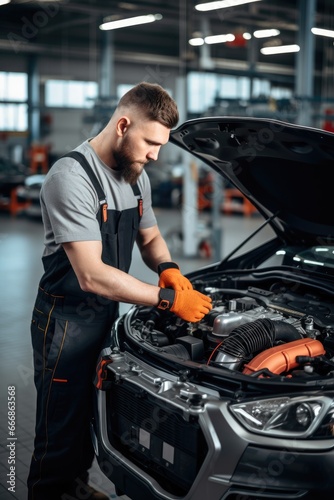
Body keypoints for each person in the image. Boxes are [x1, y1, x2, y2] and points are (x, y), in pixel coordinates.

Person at [27, 82, 212, 500]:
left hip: (106, 316)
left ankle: (75, 488)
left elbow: (150, 238)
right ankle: (50, 490)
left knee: (94, 415)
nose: (154, 155)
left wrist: (169, 270)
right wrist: (168, 300)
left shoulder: (135, 175)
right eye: (150, 142)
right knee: (60, 427)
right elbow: (92, 274)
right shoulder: (71, 177)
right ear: (123, 125)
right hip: (65, 323)